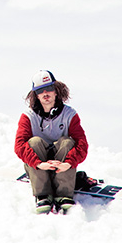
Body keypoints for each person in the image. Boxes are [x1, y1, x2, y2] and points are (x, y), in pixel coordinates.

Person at [14, 69, 89, 214]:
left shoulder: (69, 114)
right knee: (34, 141)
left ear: (56, 90)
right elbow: (19, 145)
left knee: (67, 142)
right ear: (36, 95)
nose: (46, 94)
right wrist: (38, 163)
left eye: (49, 88)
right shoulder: (28, 116)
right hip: (39, 162)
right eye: (41, 91)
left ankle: (63, 194)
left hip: (62, 162)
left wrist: (69, 163)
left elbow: (82, 143)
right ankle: (43, 194)